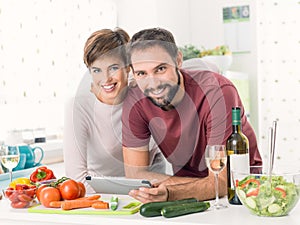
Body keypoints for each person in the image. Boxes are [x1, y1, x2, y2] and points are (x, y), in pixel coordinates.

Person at [121, 27, 262, 203]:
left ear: (178, 60)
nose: (153, 83)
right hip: (190, 196)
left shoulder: (217, 91)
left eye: (160, 69)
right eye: (142, 73)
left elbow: (223, 181)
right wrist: (197, 186)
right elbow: (135, 174)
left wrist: (173, 191)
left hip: (243, 193)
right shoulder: (135, 100)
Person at [63, 28, 166, 193]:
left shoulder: (144, 91)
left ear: (127, 68)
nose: (106, 78)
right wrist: (124, 196)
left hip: (153, 189)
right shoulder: (78, 107)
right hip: (102, 194)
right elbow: (77, 179)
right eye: (97, 70)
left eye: (113, 68)